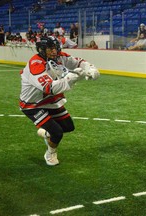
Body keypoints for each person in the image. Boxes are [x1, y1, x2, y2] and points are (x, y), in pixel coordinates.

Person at [19, 36, 100, 166]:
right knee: (57, 132)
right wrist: (71, 78)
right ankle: (50, 153)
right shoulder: (35, 64)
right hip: (32, 104)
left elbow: (78, 62)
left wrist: (90, 68)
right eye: (50, 49)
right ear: (41, 49)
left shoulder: (58, 57)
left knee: (68, 127)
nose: (54, 51)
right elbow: (49, 88)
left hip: (50, 100)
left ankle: (46, 133)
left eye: (55, 48)